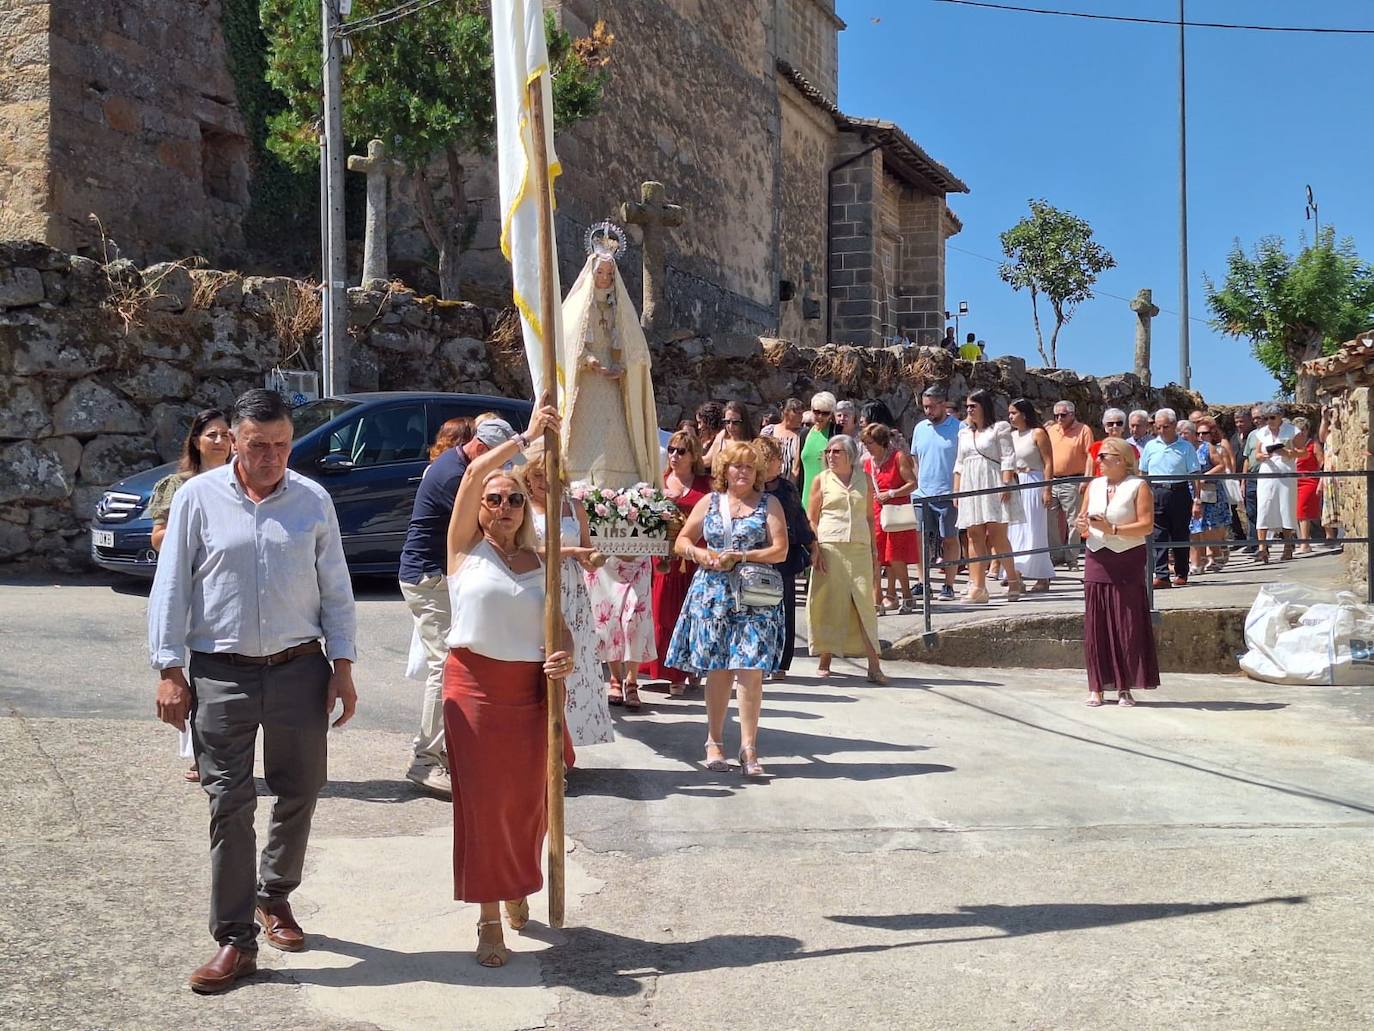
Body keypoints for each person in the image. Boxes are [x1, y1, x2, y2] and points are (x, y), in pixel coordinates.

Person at [148, 388, 357, 994]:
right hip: (221, 674)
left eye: (282, 445)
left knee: (301, 790)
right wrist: (169, 669)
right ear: (234, 441)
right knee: (229, 804)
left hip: (300, 669)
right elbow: (171, 586)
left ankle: (275, 894)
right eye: (259, 445)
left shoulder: (313, 499)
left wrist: (343, 666)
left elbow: (336, 588)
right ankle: (234, 941)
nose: (271, 457)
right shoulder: (197, 499)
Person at [442, 404, 571, 968]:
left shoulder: (542, 562)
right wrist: (526, 437)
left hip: (529, 695)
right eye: (494, 500)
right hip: (472, 689)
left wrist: (564, 656)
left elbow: (558, 629)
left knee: (526, 804)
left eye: (514, 499)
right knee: (484, 806)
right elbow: (474, 472)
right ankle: (489, 915)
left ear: (526, 508)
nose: (502, 507)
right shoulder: (463, 551)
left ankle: (517, 881)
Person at [561, 238, 663, 708]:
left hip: (615, 400)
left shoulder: (620, 310)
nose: (604, 280)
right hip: (587, 397)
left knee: (621, 443)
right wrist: (589, 363)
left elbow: (639, 357)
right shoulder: (577, 309)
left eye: (609, 275)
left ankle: (627, 674)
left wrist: (625, 366)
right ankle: (607, 672)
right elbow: (566, 350)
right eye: (599, 273)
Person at [396, 417, 512, 798]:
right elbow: (483, 528)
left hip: (431, 576)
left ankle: (443, 751)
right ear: (482, 449)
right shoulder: (453, 477)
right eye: (498, 462)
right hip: (428, 578)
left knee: (452, 662)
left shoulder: (456, 465)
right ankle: (425, 759)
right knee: (443, 666)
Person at [665, 440, 789, 777]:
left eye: (750, 466)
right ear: (724, 470)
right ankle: (714, 741)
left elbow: (780, 550)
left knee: (750, 670)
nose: (743, 472)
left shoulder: (769, 504)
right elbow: (682, 541)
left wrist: (743, 556)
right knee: (718, 669)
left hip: (753, 597)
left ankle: (749, 747)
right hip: (713, 595)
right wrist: (700, 554)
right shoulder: (710, 501)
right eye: (737, 466)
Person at [147, 407, 233, 783]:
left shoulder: (245, 484)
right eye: (212, 434)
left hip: (225, 590)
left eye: (226, 434)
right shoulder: (179, 486)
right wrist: (194, 529)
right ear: (196, 441)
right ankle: (201, 754)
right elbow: (157, 537)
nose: (220, 441)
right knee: (197, 675)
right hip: (190, 584)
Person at [524, 440, 614, 748]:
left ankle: (567, 745)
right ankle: (540, 740)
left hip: (573, 591)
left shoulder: (574, 506)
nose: (543, 481)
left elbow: (585, 548)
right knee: (544, 657)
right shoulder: (523, 506)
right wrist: (571, 551)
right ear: (527, 476)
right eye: (537, 475)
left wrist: (590, 558)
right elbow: (526, 550)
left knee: (575, 660)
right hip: (538, 583)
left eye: (548, 473)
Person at [1075, 437, 1159, 707]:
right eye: (1098, 456)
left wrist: (1113, 529)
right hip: (1097, 555)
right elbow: (1083, 520)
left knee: (1127, 623)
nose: (1098, 460)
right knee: (1096, 622)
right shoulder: (1095, 485)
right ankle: (1096, 686)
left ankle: (1125, 687)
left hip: (1127, 557)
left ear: (1122, 459)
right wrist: (1082, 525)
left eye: (1104, 456)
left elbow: (1146, 525)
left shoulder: (1138, 486)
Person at [806, 434, 888, 682]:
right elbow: (812, 518)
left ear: (850, 455)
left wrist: (874, 551)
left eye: (836, 451)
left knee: (865, 604)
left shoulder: (865, 478)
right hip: (830, 547)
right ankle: (825, 657)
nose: (830, 456)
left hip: (859, 547)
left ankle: (874, 665)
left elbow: (870, 517)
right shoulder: (821, 480)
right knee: (830, 603)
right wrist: (816, 548)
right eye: (828, 452)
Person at [641, 430, 713, 695]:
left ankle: (691, 668)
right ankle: (672, 673)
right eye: (671, 450)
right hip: (664, 559)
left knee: (693, 616)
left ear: (693, 455)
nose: (674, 455)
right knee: (664, 614)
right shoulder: (658, 482)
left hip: (694, 559)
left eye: (681, 451)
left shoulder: (706, 485)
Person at [755, 435, 816, 681]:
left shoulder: (786, 487)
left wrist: (812, 546)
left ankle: (781, 662)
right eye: (776, 458)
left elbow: (799, 517)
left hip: (783, 558)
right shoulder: (748, 488)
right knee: (755, 610)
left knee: (784, 610)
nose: (781, 462)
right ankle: (756, 660)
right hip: (755, 557)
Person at [955, 390, 1024, 603]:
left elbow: (1008, 457)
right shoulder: (964, 433)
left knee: (997, 535)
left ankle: (1013, 579)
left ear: (983, 406)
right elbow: (959, 464)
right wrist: (956, 492)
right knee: (973, 535)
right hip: (970, 484)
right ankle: (978, 586)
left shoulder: (999, 428)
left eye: (973, 406)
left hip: (993, 481)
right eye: (967, 406)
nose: (969, 410)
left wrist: (1005, 484)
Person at [860, 423, 919, 613]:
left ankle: (907, 596)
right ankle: (877, 600)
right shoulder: (867, 462)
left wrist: (891, 493)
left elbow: (912, 484)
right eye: (865, 443)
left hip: (896, 513)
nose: (867, 447)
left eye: (870, 443)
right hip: (875, 512)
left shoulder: (897, 457)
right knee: (875, 557)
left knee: (896, 557)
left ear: (881, 442)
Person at [1139, 408, 1201, 588]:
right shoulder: (1150, 446)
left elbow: (1195, 474)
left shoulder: (1186, 447)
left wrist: (1197, 500)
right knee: (1158, 535)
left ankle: (1181, 572)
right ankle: (1162, 575)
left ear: (1174, 425)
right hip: (1156, 492)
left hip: (1179, 491)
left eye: (1165, 427)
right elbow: (1143, 472)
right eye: (1158, 427)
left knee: (1180, 534)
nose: (1161, 431)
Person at [912, 386, 962, 600]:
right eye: (925, 407)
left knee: (949, 538)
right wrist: (918, 483)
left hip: (948, 493)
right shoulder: (920, 428)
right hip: (922, 493)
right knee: (920, 539)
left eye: (931, 407)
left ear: (943, 404)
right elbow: (915, 457)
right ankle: (923, 582)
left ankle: (949, 585)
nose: (928, 411)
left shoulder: (959, 428)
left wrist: (957, 491)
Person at [1006, 398, 1055, 591]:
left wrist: (1047, 489)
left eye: (1014, 413)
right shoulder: (1012, 436)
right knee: (1016, 530)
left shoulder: (1038, 433)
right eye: (1009, 413)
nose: (1010, 417)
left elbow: (1048, 462)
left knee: (1035, 529)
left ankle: (1042, 576)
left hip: (1034, 481)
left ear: (1024, 414)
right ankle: (1017, 574)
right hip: (1017, 482)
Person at [1045, 400, 1094, 570]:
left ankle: (1072, 558)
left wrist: (1086, 479)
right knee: (1050, 520)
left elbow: (1090, 456)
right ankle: (1056, 555)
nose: (1059, 418)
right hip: (1052, 480)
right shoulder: (1051, 430)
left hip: (1073, 480)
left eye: (1063, 415)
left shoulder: (1084, 430)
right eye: (1056, 415)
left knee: (1073, 521)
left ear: (1072, 414)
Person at [1253, 403, 1300, 563]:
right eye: (1265, 418)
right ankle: (1262, 548)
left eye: (1272, 418)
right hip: (1267, 472)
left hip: (1285, 473)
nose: (1269, 421)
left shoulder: (1292, 431)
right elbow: (1256, 454)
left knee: (1286, 507)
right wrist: (1262, 456)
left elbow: (1304, 452)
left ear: (1280, 417)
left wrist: (1287, 453)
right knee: (1264, 507)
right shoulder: (1262, 433)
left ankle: (1288, 546)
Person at [1188, 417, 1231, 574]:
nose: (1201, 436)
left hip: (1210, 490)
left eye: (1203, 433)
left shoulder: (1207, 448)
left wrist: (1204, 476)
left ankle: (1216, 556)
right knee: (1195, 528)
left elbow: (1221, 465)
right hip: (1191, 492)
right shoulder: (1184, 449)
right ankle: (1198, 561)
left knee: (1210, 526)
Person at [799, 391, 836, 509]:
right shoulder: (804, 434)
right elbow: (797, 468)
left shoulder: (836, 433)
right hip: (805, 494)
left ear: (831, 414)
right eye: (816, 412)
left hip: (828, 495)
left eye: (825, 413)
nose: (820, 417)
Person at [1293, 416, 1324, 552]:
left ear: (1307, 430)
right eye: (1298, 430)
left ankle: (1305, 543)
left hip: (1309, 481)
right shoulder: (1292, 445)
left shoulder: (1313, 444)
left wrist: (1321, 480)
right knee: (1296, 511)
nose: (1301, 432)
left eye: (1303, 429)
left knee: (1303, 510)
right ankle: (1300, 540)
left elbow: (1321, 463)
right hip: (1294, 481)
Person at [760, 397, 804, 482]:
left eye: (802, 414)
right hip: (768, 481)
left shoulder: (802, 434)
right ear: (786, 413)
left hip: (792, 482)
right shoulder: (769, 431)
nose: (801, 417)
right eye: (798, 413)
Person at [1086, 409, 1139, 477]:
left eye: (1119, 423)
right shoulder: (1095, 447)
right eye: (1110, 424)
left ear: (1123, 427)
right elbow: (1088, 475)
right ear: (1105, 428)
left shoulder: (1131, 449)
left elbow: (1135, 473)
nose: (1115, 426)